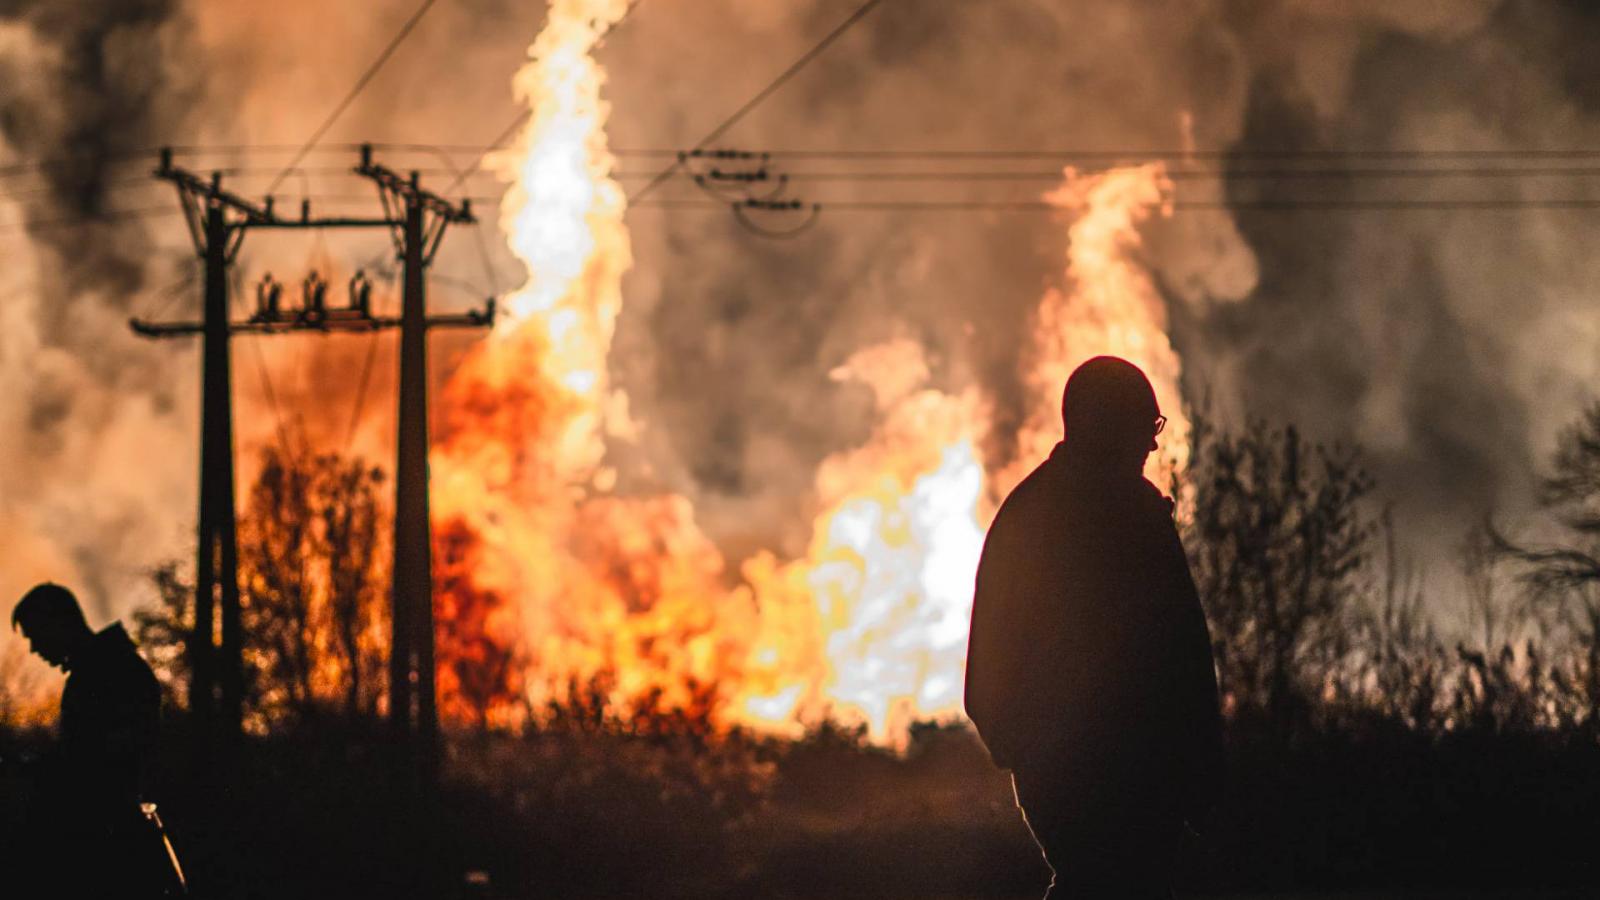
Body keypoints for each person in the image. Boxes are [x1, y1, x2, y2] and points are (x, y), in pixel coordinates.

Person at [965, 356, 1223, 899]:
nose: (1152, 446)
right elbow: (1182, 658)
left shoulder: (1031, 513)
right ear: (1107, 424)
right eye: (1144, 427)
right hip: (1119, 780)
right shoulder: (1117, 519)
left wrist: (1025, 754)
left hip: (1096, 780)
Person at [10, 581, 171, 897]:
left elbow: (96, 764)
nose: (34, 649)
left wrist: (39, 769)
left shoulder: (105, 674)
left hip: (105, 849)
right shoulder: (111, 668)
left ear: (57, 622)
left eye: (35, 635)